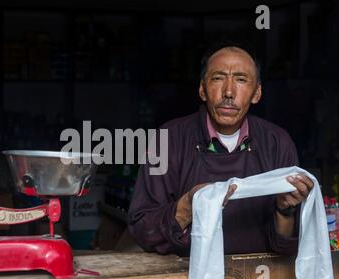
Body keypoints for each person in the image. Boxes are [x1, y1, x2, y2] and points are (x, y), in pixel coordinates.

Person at [128, 42, 314, 257]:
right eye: (218, 78)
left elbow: (287, 250)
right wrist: (189, 205)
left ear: (257, 93)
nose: (228, 91)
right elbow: (143, 231)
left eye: (241, 80)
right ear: (202, 89)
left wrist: (285, 210)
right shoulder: (168, 138)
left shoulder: (277, 142)